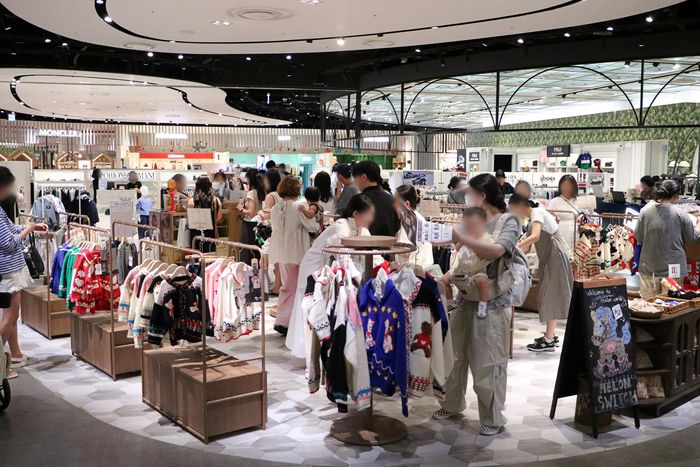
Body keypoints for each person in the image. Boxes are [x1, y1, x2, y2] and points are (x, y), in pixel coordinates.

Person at [433, 173, 520, 437]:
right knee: (455, 355)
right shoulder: (471, 217)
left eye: (470, 193)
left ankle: (492, 417)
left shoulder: (508, 220)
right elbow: (460, 250)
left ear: (482, 195)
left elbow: (497, 251)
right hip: (464, 295)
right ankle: (451, 403)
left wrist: (461, 237)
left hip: (493, 301)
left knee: (488, 360)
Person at [285, 194, 375, 357]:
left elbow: (369, 252)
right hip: (314, 270)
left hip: (328, 272)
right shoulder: (341, 226)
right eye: (369, 214)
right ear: (356, 214)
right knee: (311, 309)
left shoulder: (361, 229)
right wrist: (360, 279)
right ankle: (308, 353)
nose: (371, 218)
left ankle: (314, 353)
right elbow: (343, 257)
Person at [0, 167, 48, 379]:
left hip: (10, 270)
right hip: (8, 271)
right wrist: (28, 229)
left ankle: (15, 355)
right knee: (10, 317)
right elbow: (9, 243)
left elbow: (12, 231)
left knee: (11, 316)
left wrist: (32, 228)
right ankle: (0, 364)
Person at [509, 194, 573, 351]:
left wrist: (514, 247)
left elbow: (535, 236)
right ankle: (550, 335)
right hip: (550, 256)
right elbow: (527, 246)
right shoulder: (534, 217)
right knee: (550, 294)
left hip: (554, 255)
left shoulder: (537, 212)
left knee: (549, 294)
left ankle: (549, 339)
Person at [268, 177, 319, 335]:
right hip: (298, 251)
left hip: (281, 251)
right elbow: (312, 226)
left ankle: (284, 320)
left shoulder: (276, 208)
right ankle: (287, 321)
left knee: (287, 286)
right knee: (297, 288)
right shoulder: (299, 206)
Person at [635, 179, 700, 298]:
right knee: (672, 303)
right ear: (675, 196)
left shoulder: (645, 212)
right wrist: (698, 226)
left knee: (647, 303)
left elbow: (639, 237)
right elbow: (691, 239)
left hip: (649, 265)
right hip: (673, 267)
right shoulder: (682, 214)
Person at [440, 207, 494, 319]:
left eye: (474, 225)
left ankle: (483, 306)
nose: (471, 229)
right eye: (467, 226)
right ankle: (451, 304)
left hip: (477, 270)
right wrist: (462, 240)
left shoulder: (487, 239)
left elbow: (491, 253)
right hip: (461, 269)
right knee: (444, 280)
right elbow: (458, 248)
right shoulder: (465, 237)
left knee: (482, 281)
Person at [351, 160, 400, 236]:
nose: (355, 182)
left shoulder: (358, 200)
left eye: (355, 178)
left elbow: (351, 227)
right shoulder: (391, 199)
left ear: (364, 177)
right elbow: (397, 228)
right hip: (389, 243)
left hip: (364, 242)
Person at [394, 184, 433, 268]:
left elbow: (404, 252)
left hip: (414, 269)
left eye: (396, 203)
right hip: (424, 267)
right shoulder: (419, 218)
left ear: (406, 204)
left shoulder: (409, 222)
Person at [258, 169, 284, 295]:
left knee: (264, 259)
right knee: (278, 260)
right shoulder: (282, 195)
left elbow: (267, 215)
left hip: (271, 231)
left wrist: (260, 213)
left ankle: (263, 286)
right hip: (281, 230)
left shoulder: (270, 196)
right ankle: (278, 285)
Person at [546, 174, 580, 254]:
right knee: (562, 253)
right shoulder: (554, 201)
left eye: (569, 185)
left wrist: (582, 217)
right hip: (561, 231)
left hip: (576, 232)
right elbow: (549, 218)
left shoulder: (578, 201)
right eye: (564, 185)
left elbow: (587, 214)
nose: (566, 188)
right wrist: (555, 218)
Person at [188, 175, 223, 253]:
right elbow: (219, 217)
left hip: (195, 234)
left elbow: (189, 219)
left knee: (196, 254)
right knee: (210, 254)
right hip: (210, 233)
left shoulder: (191, 201)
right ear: (209, 185)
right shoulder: (215, 200)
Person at [237, 168, 265, 264]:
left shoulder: (251, 193)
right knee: (256, 250)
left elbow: (250, 212)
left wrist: (241, 209)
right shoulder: (261, 192)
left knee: (247, 251)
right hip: (259, 223)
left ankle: (247, 269)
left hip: (249, 225)